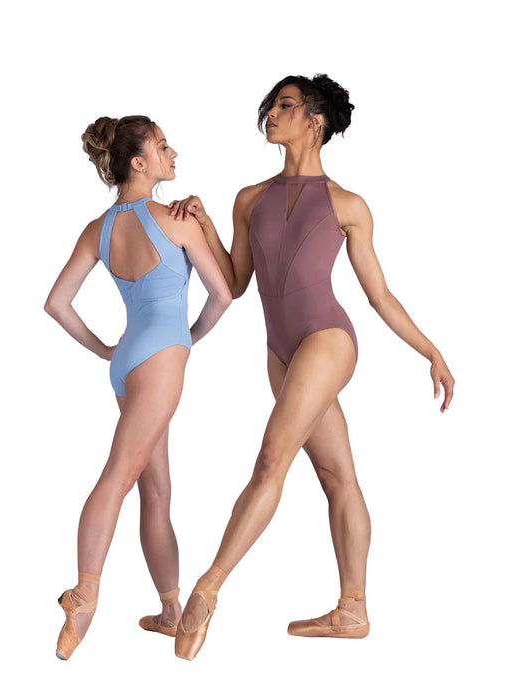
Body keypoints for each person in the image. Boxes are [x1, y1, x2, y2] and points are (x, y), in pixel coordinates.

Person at [167, 74, 455, 660]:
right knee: (336, 475)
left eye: (285, 105)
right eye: (271, 106)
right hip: (280, 351)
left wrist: (431, 350)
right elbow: (237, 283)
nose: (271, 114)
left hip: (328, 339)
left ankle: (206, 592)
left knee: (271, 458)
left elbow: (379, 295)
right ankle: (353, 610)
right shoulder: (249, 198)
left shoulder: (348, 205)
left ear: (315, 121)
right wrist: (203, 224)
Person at [44, 115, 232, 660]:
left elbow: (57, 303)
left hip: (127, 361)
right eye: (164, 146)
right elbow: (224, 293)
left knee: (157, 489)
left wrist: (107, 349)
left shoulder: (98, 229)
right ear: (139, 163)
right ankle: (83, 596)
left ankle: (170, 612)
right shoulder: (174, 221)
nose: (174, 154)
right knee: (120, 476)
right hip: (161, 359)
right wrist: (186, 338)